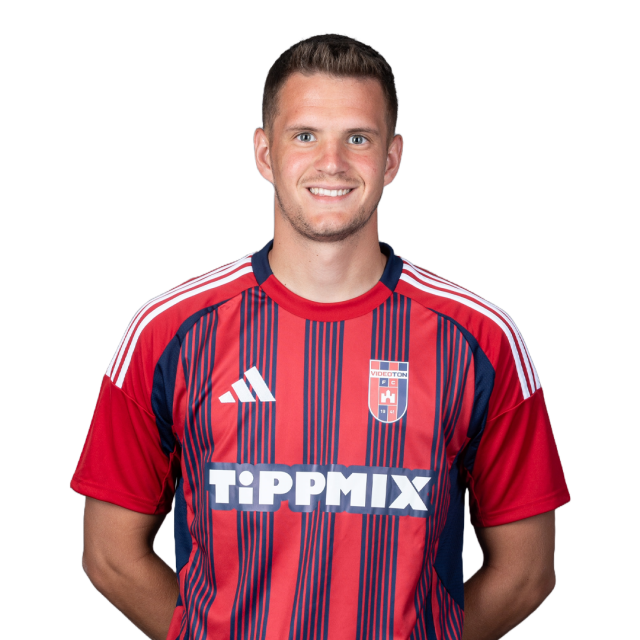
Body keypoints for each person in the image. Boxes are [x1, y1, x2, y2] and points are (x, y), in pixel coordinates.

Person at [71, 33, 571, 640]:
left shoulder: (481, 339)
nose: (331, 162)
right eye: (305, 135)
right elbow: (110, 556)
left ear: (392, 158)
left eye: (358, 138)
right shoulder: (168, 330)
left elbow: (525, 573)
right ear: (264, 153)